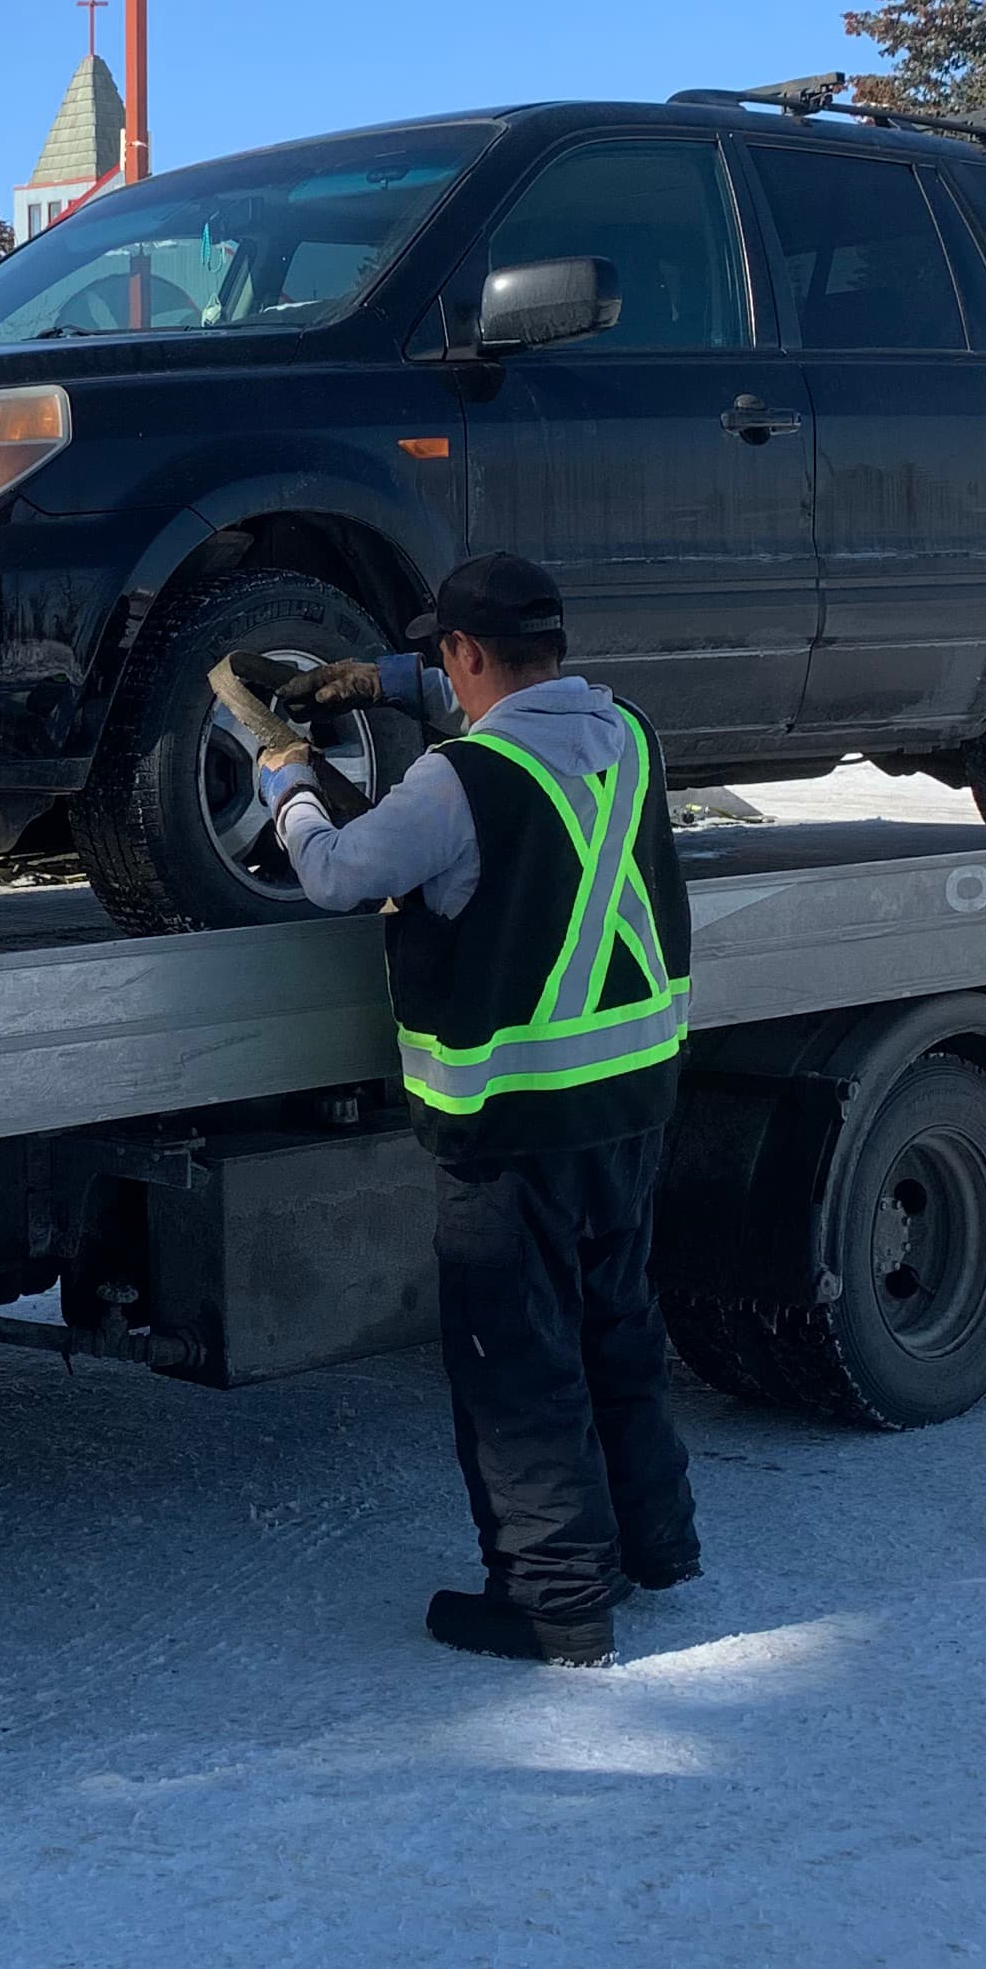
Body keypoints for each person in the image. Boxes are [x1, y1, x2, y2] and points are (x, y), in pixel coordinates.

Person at [264, 552, 698, 1667]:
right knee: (619, 1326)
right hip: (629, 1105)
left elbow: (340, 875)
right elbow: (521, 706)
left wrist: (288, 787)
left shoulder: (461, 782)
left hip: (513, 1132)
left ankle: (556, 1603)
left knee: (520, 1362)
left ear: (462, 655)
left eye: (440, 658)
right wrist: (382, 683)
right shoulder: (630, 734)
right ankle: (656, 1545)